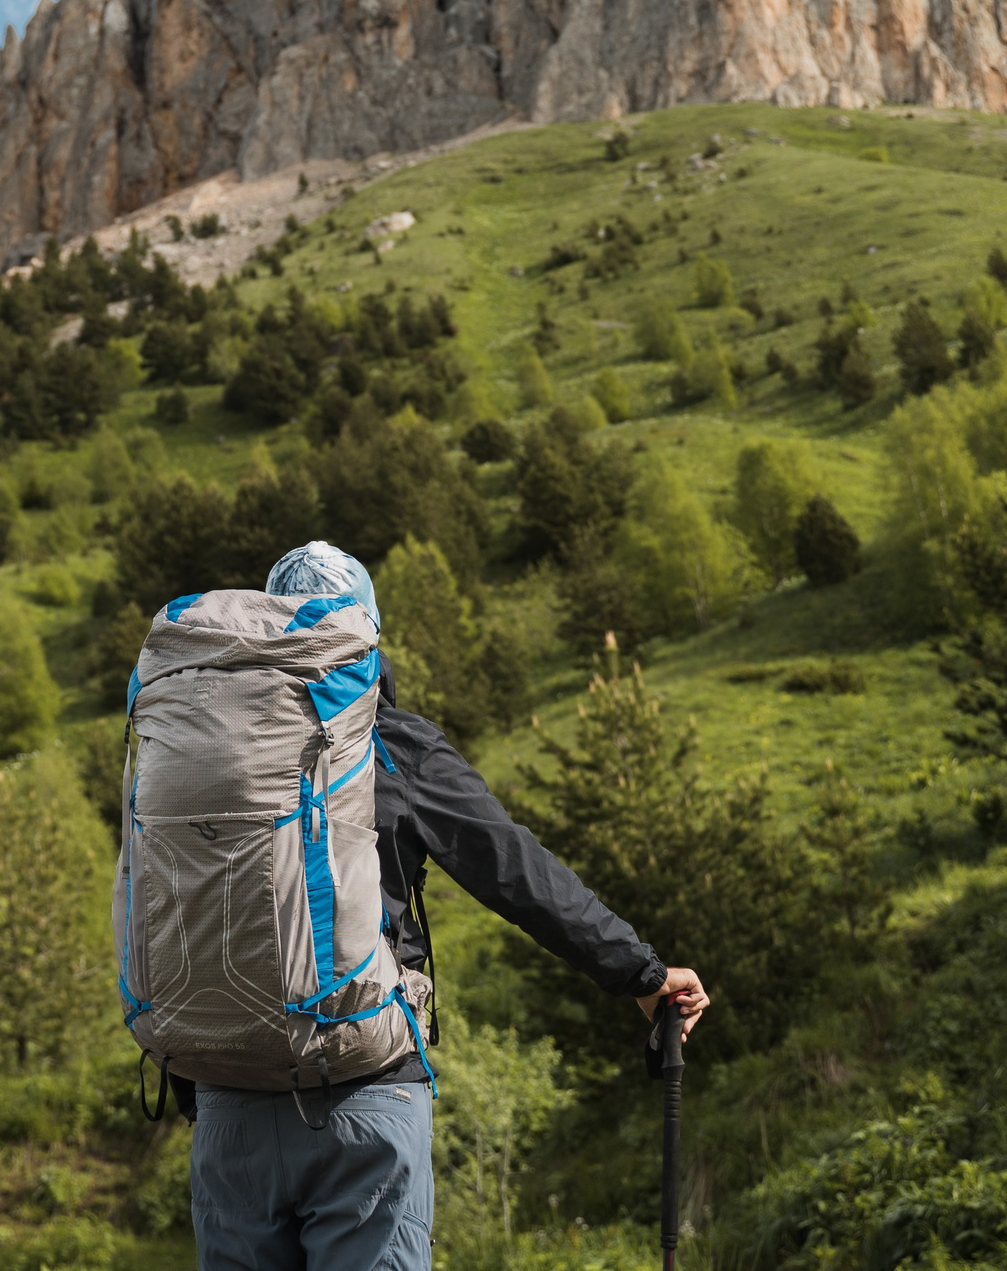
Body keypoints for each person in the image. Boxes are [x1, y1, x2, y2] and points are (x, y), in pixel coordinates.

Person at [182, 539, 710, 1271]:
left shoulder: (203, 751)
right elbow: (513, 868)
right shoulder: (388, 739)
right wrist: (643, 974)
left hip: (227, 1102)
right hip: (362, 1090)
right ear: (366, 632)